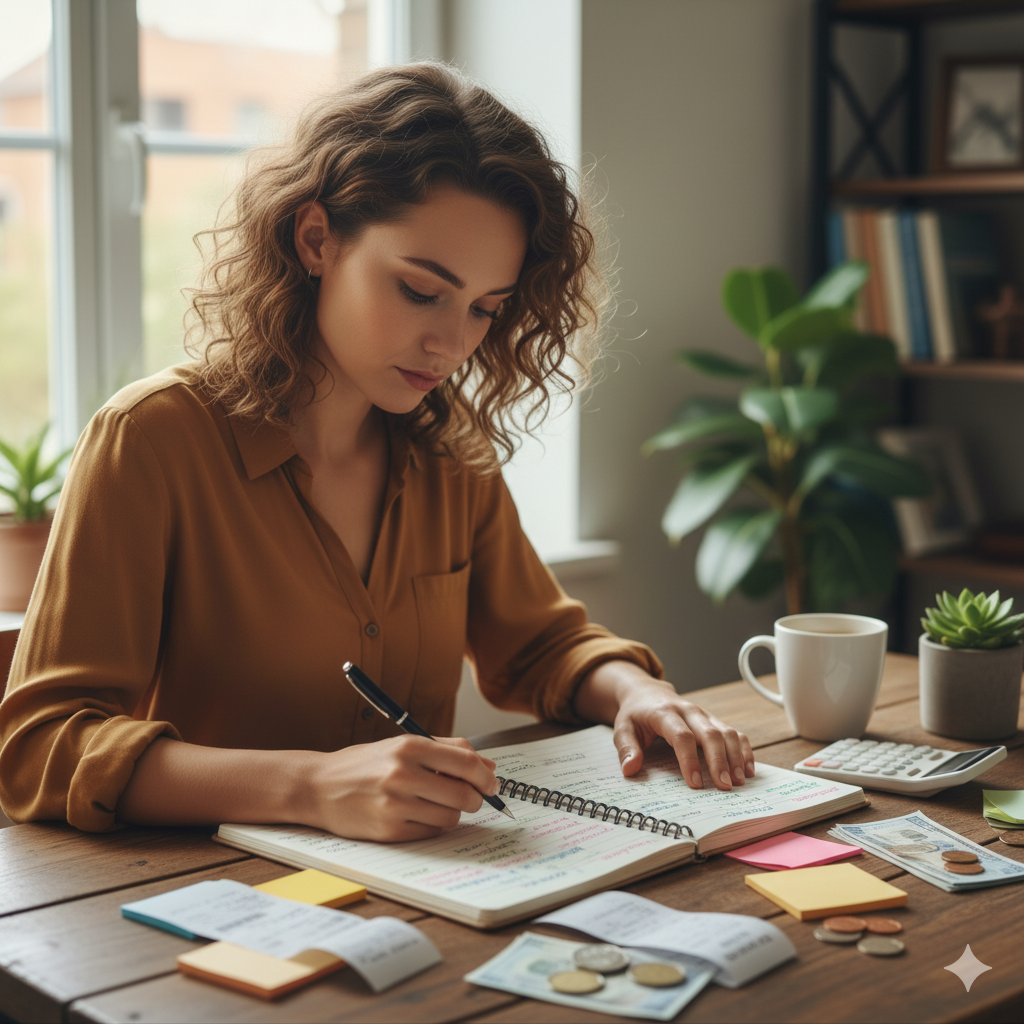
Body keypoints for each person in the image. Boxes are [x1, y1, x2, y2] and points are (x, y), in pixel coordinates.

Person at [0, 63, 753, 842]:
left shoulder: (448, 450)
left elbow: (540, 644)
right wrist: (311, 785)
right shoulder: (151, 440)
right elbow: (40, 746)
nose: (451, 342)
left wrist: (635, 692)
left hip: (432, 895)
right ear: (317, 238)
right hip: (205, 904)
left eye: (485, 310)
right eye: (422, 291)